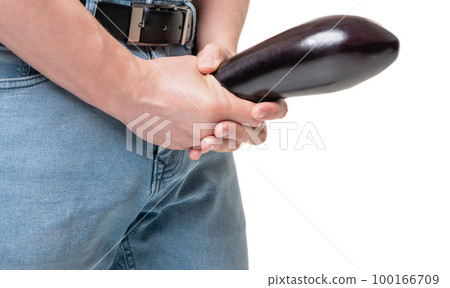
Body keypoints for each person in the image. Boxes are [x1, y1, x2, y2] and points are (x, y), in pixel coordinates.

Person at [0, 0, 287, 269]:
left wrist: (220, 58)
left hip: (190, 100)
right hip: (43, 82)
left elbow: (217, 46)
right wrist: (136, 87)